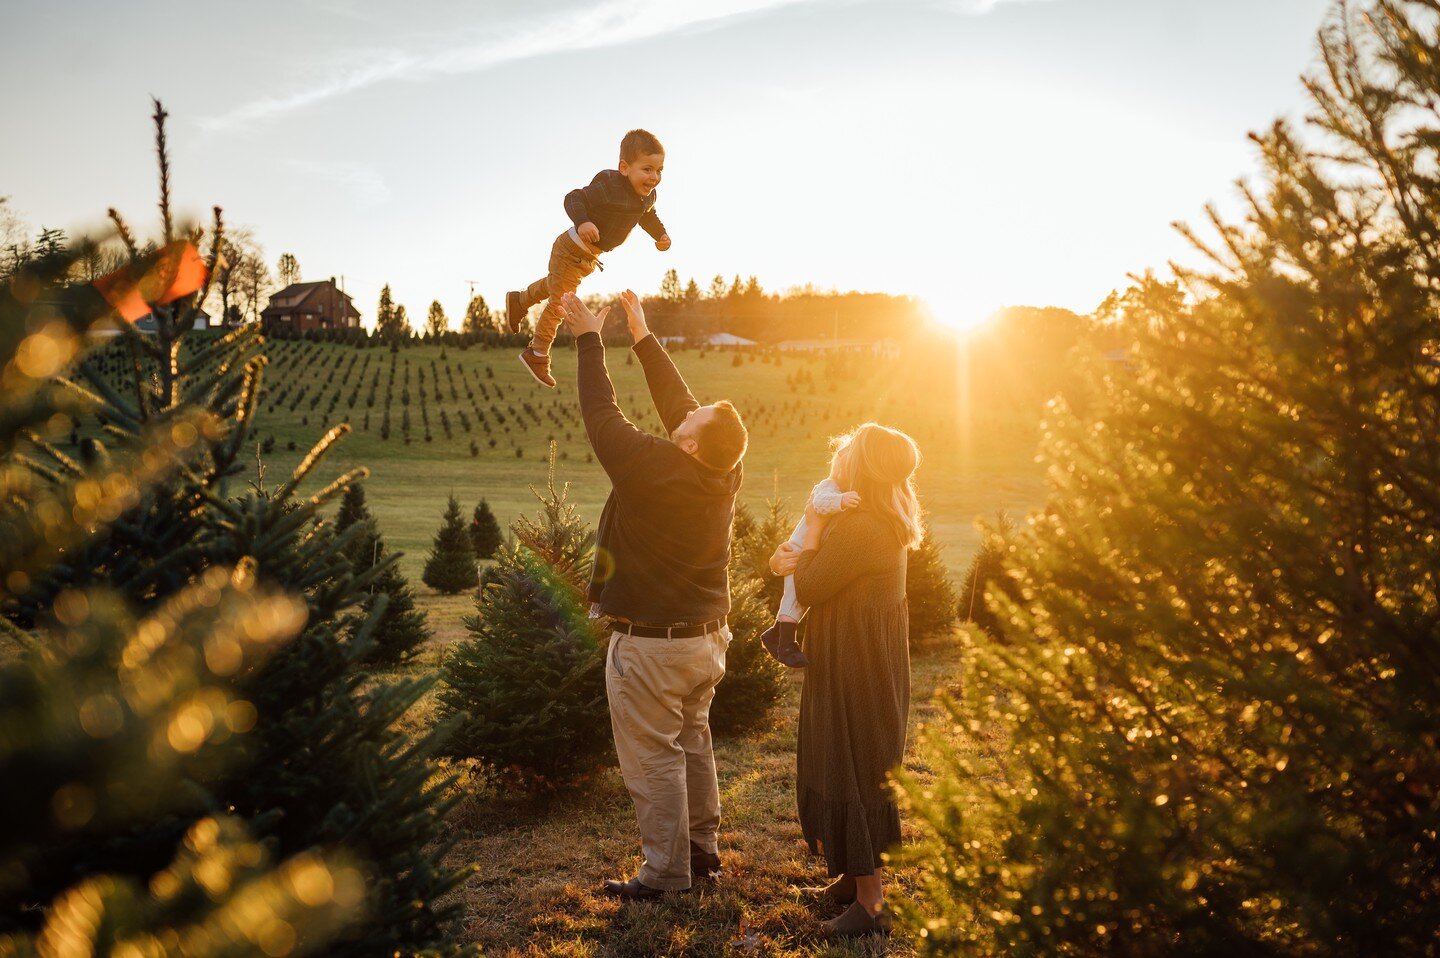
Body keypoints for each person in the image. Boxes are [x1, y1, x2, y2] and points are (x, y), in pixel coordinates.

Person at [559, 289, 748, 901]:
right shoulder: (722, 469)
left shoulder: (652, 467)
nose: (681, 417)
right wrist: (641, 335)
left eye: (688, 425)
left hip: (652, 648)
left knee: (654, 758)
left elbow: (600, 414)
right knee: (694, 741)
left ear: (690, 443)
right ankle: (701, 851)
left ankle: (666, 874)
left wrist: (589, 336)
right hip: (706, 641)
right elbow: (683, 407)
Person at [769, 423, 923, 937]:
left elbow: (809, 582)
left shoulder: (866, 527)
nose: (842, 455)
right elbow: (804, 568)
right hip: (856, 655)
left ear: (864, 466)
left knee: (853, 766)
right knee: (846, 759)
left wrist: (811, 527)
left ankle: (871, 904)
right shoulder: (873, 515)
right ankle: (853, 877)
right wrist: (794, 551)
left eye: (851, 450)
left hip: (858, 665)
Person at [507, 129, 672, 388]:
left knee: (555, 286)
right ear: (624, 167)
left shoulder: (647, 197)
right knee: (561, 301)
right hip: (570, 249)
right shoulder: (610, 186)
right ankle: (537, 353)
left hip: (587, 258)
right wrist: (582, 221)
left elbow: (648, 216)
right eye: (647, 169)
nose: (654, 177)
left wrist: (660, 234)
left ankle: (519, 300)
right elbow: (574, 198)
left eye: (659, 170)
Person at [758, 442, 862, 668]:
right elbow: (820, 504)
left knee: (796, 600)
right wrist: (842, 501)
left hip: (810, 550)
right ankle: (786, 643)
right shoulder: (828, 486)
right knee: (795, 597)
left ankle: (775, 634)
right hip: (798, 550)